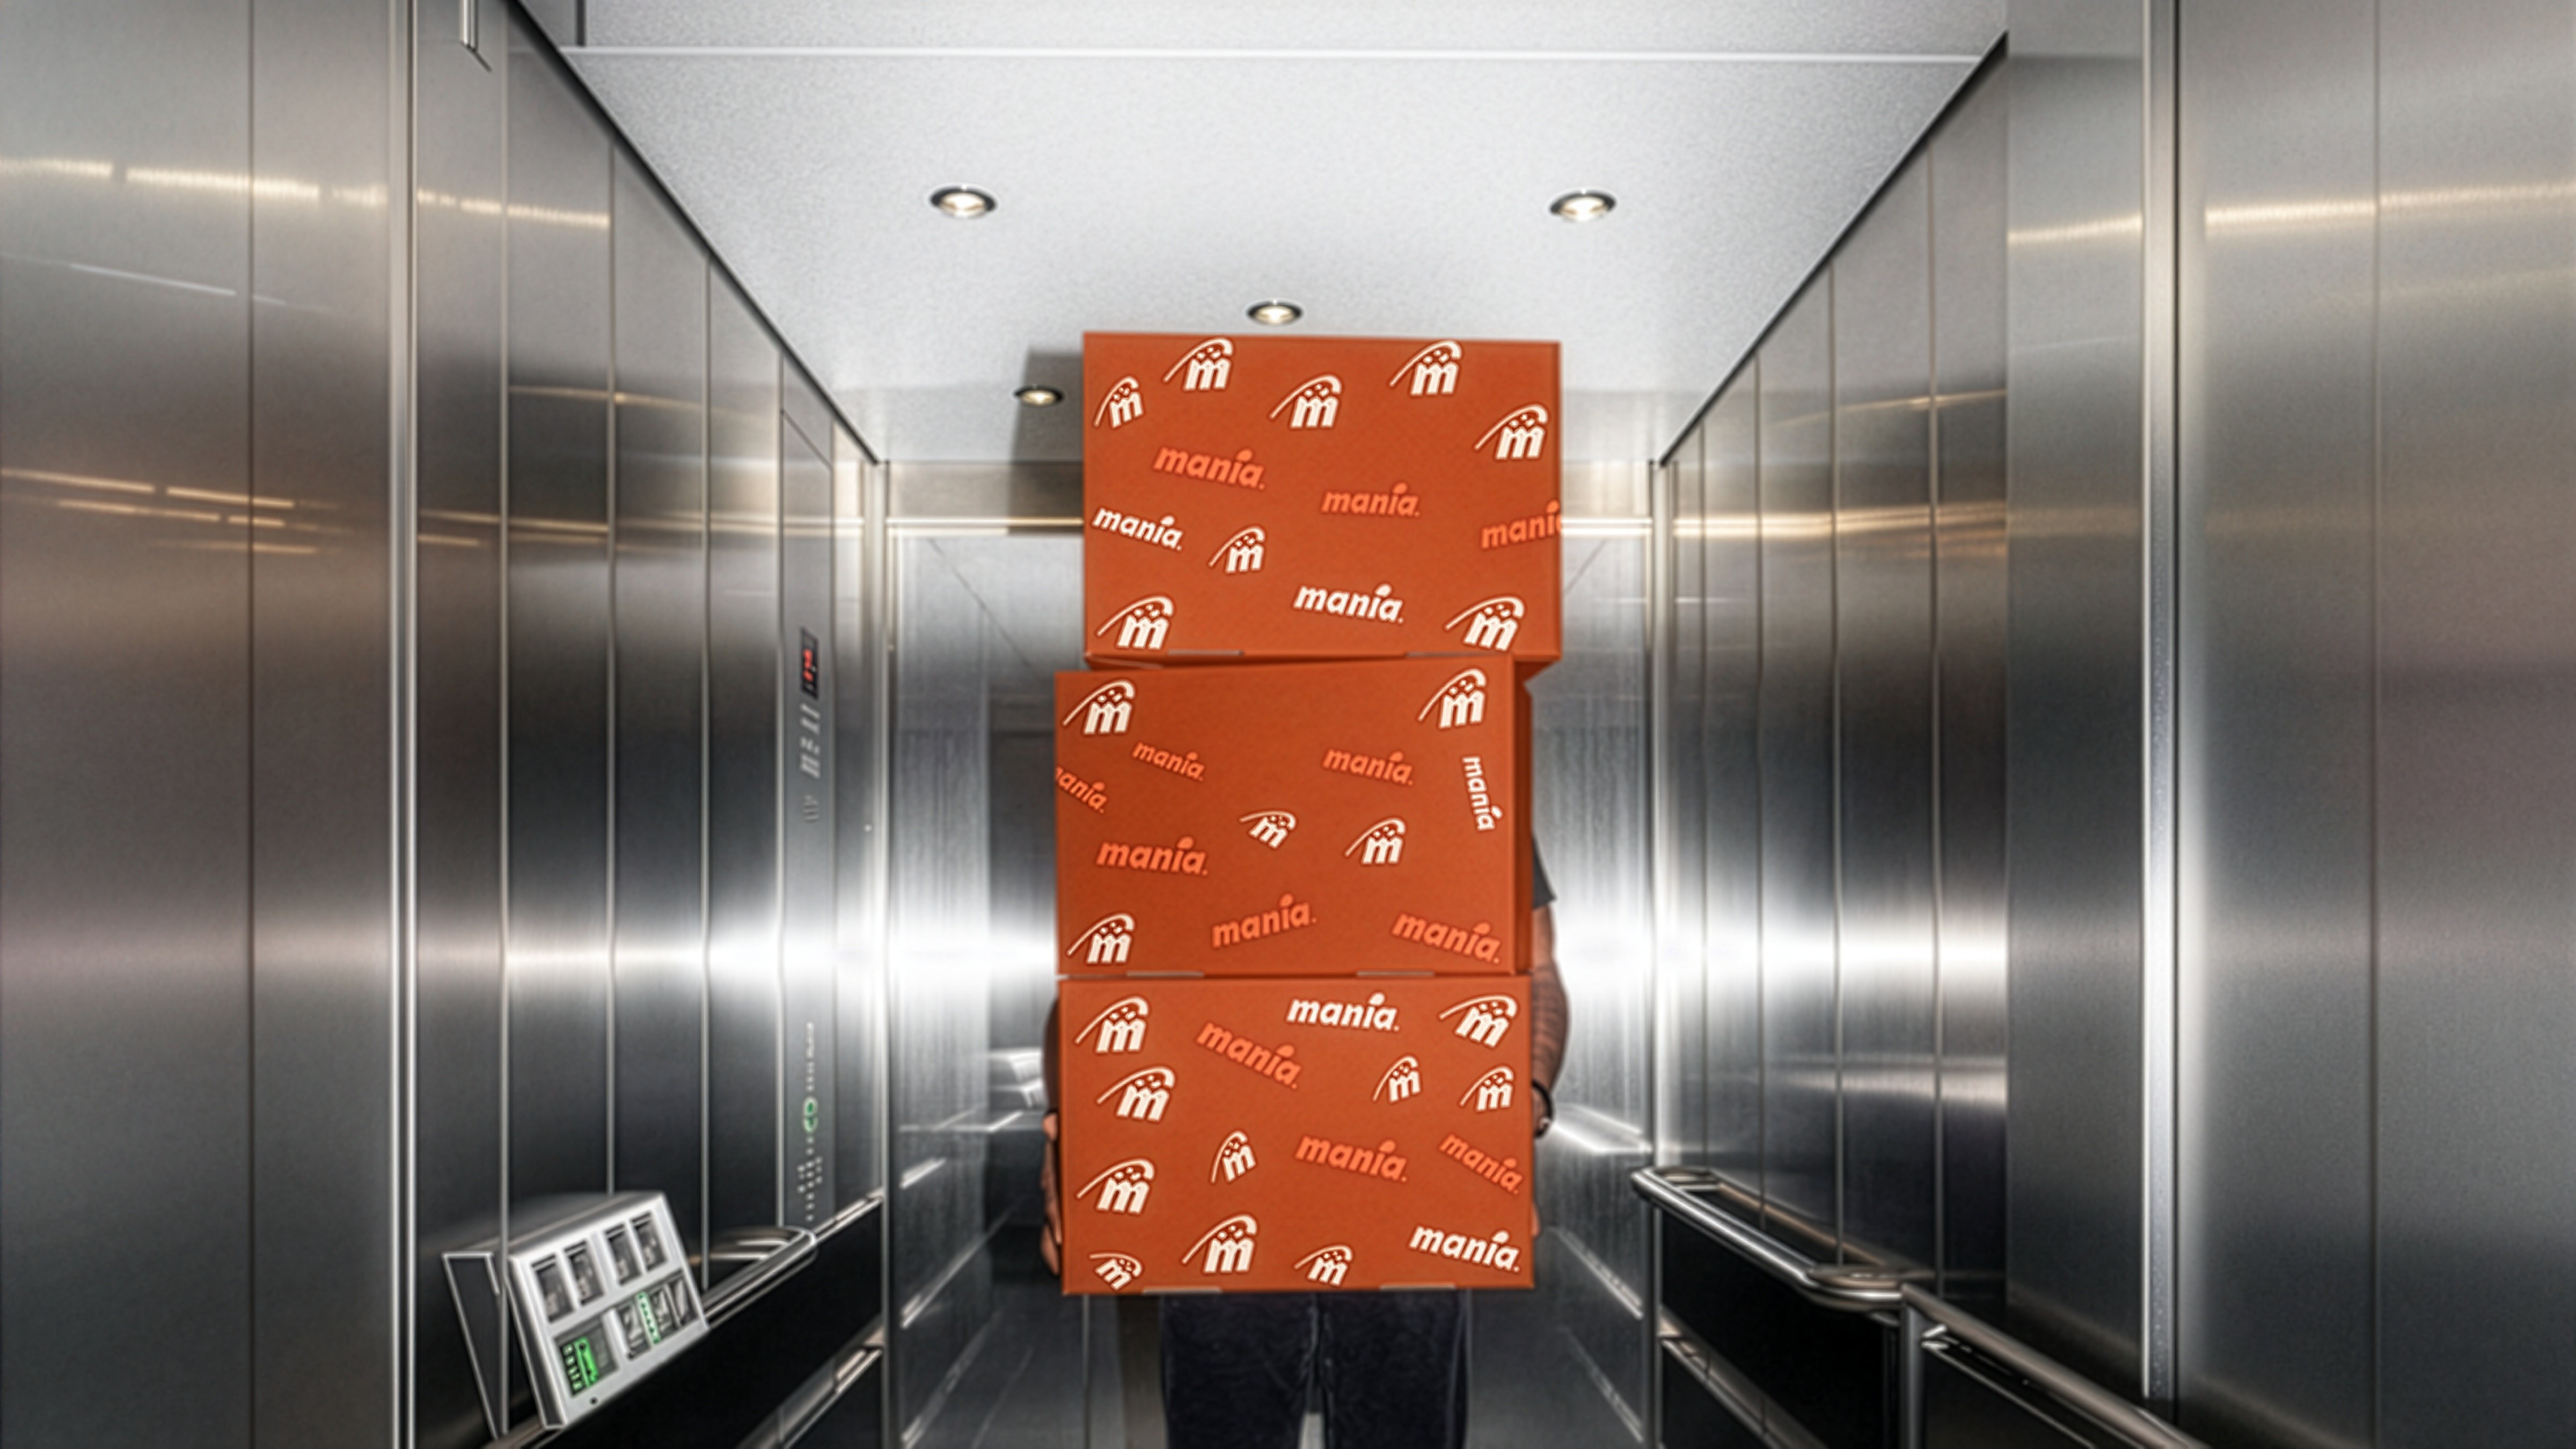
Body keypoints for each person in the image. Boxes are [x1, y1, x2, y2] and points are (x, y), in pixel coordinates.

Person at [1041, 850, 1569, 1449]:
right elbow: (1097, 982)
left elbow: (1536, 969)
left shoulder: (1460, 779)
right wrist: (1072, 1144)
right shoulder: (1183, 780)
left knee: (1404, 1430)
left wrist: (1523, 1103)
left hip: (1414, 1168)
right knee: (1226, 1429)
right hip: (1223, 1172)